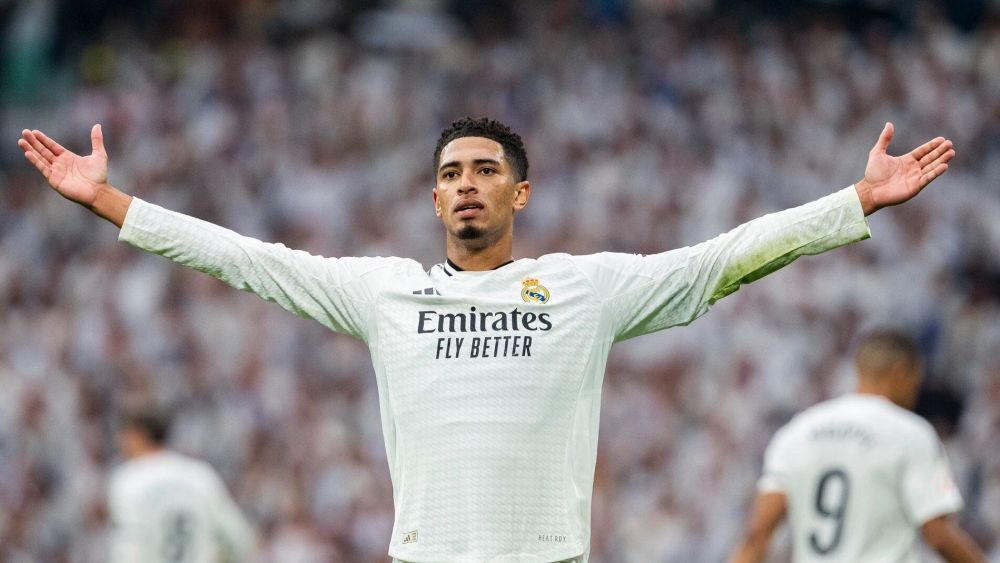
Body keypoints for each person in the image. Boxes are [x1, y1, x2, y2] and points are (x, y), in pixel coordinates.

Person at [19, 117, 953, 562]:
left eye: (485, 171)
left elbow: (722, 259)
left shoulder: (585, 288)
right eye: (451, 173)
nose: (467, 183)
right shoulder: (384, 291)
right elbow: (244, 258)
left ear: (520, 195)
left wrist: (854, 202)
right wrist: (112, 203)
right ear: (433, 199)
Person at [728, 330, 985, 563]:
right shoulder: (910, 434)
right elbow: (937, 533)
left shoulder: (797, 432)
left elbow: (757, 534)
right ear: (901, 372)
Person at [108, 406, 256, 563]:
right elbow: (239, 539)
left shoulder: (129, 479)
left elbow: (128, 546)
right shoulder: (201, 476)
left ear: (137, 436)